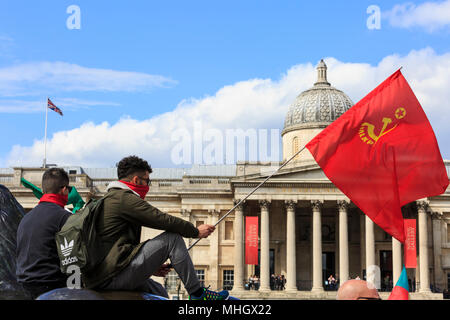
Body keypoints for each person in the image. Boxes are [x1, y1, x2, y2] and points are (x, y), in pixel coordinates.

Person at [82, 155, 229, 300]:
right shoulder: (123, 199)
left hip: (106, 275)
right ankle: (197, 294)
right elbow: (163, 220)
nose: (148, 185)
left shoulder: (108, 199)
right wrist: (195, 231)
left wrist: (150, 266)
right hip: (110, 276)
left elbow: (116, 247)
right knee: (172, 239)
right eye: (147, 181)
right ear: (136, 180)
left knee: (157, 290)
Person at [16, 168, 72, 299]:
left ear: (43, 190)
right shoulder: (64, 217)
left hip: (23, 286)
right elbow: (73, 258)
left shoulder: (26, 218)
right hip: (51, 286)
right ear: (64, 190)